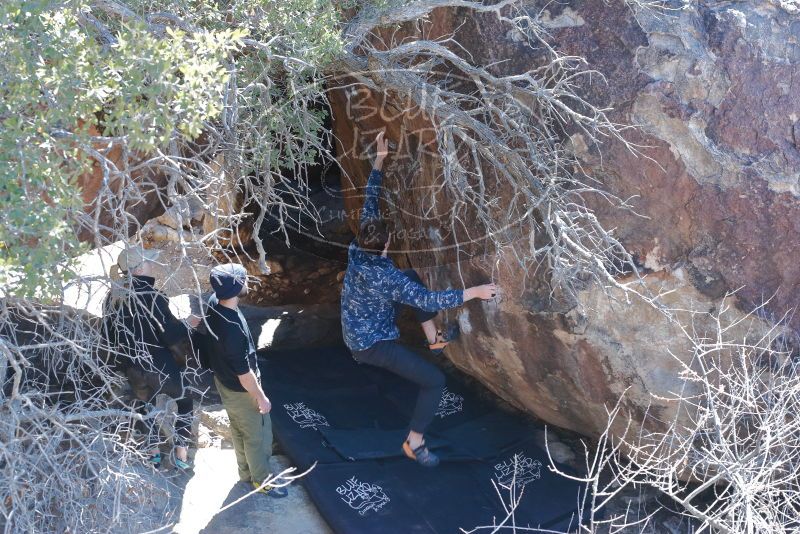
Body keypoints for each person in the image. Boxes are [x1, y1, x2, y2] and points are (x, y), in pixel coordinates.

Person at [341, 131, 499, 467]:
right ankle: (415, 441)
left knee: (412, 276)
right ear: (383, 246)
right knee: (434, 381)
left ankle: (434, 340)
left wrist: (380, 160)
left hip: (364, 320)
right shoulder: (386, 277)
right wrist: (476, 292)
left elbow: (371, 198)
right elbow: (431, 298)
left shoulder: (358, 247)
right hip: (370, 345)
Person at [103, 245, 195, 470]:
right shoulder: (154, 297)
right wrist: (187, 325)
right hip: (161, 366)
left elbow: (108, 336)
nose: (152, 264)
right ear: (138, 269)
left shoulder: (113, 297)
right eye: (148, 261)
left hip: (133, 369)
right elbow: (170, 336)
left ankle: (154, 455)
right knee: (185, 401)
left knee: (145, 407)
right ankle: (181, 456)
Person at [203, 263, 288, 498]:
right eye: (244, 279)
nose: (247, 281)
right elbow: (244, 373)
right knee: (258, 438)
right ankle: (262, 481)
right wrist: (260, 397)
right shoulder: (233, 330)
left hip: (224, 383)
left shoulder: (214, 302)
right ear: (235, 287)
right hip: (242, 390)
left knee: (239, 430)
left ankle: (245, 473)